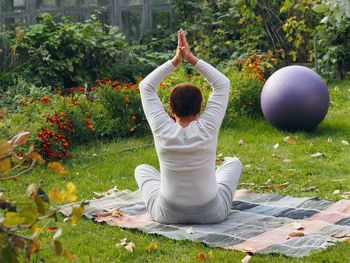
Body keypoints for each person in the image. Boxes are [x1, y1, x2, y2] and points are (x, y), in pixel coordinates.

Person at [135, 29, 242, 224]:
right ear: (200, 107)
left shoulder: (162, 128)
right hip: (212, 214)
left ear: (171, 109)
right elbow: (222, 84)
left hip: (167, 213)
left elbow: (146, 87)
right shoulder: (208, 126)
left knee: (142, 169)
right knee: (233, 163)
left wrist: (175, 61)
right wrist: (191, 59)